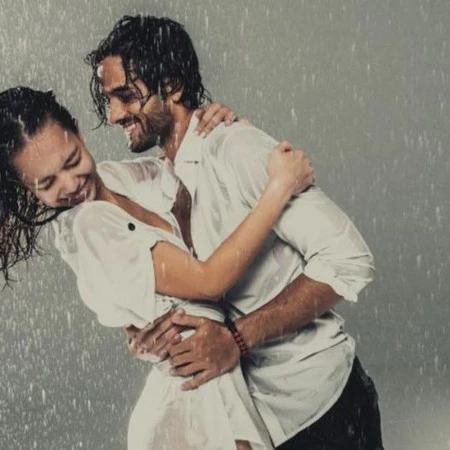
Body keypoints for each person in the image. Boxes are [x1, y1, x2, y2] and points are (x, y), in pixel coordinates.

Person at [85, 15, 384, 449]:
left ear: (172, 85)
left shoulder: (236, 149)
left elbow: (349, 259)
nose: (113, 115)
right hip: (251, 419)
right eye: (108, 100)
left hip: (322, 406)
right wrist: (144, 334)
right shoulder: (157, 182)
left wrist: (237, 339)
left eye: (126, 96)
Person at [0, 87, 315, 449]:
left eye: (72, 161)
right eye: (47, 183)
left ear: (79, 132)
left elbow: (192, 180)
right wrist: (280, 187)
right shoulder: (87, 225)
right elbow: (208, 281)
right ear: (25, 186)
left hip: (214, 375)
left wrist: (218, 129)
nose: (71, 184)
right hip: (195, 395)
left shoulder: (117, 178)